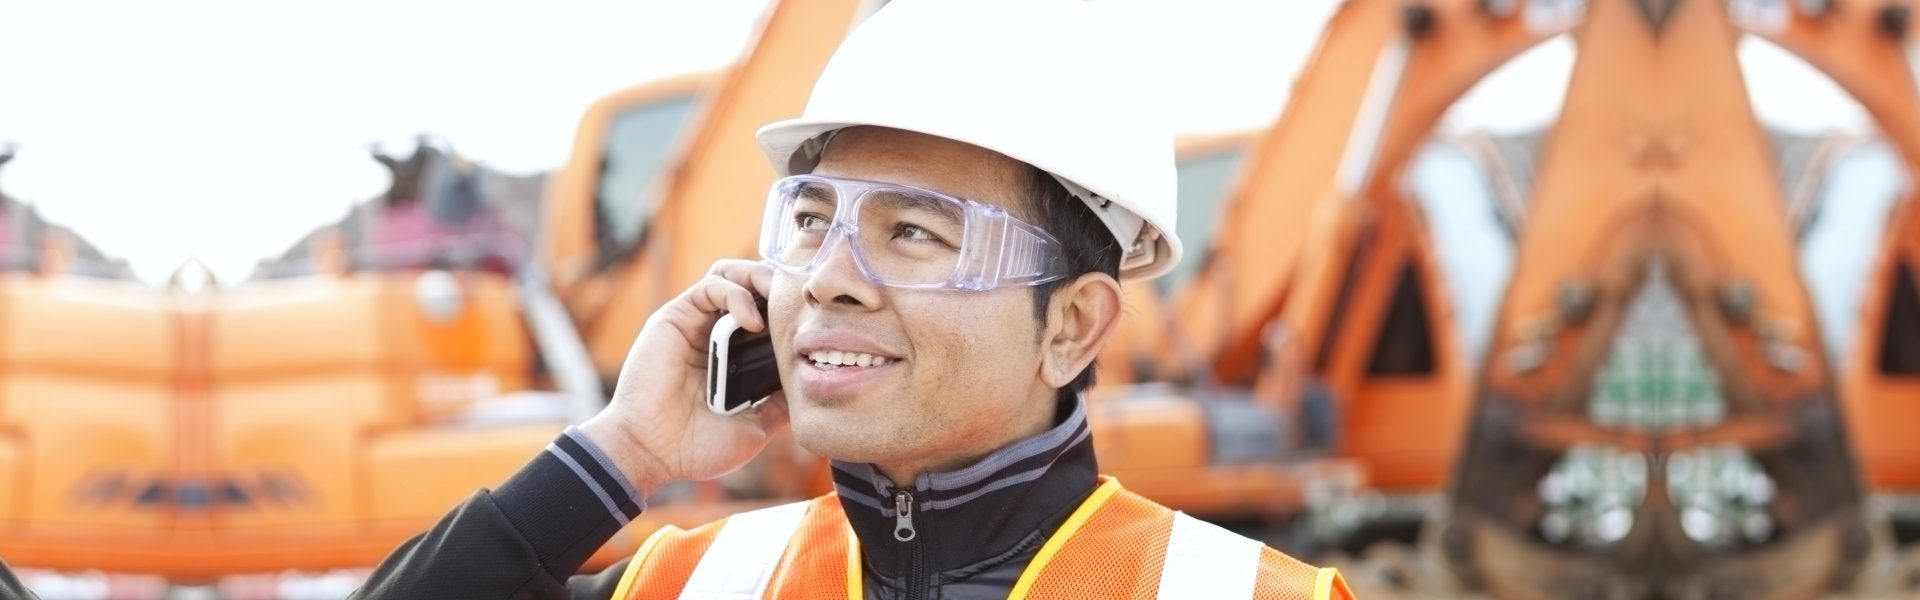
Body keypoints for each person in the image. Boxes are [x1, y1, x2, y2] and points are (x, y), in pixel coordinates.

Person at [353, 0, 1354, 598]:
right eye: (808, 220)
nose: (827, 274)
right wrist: (621, 454)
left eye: (913, 233)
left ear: (1073, 324)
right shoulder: (696, 583)